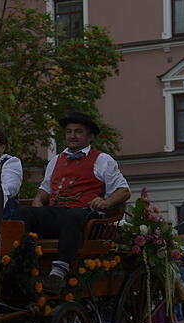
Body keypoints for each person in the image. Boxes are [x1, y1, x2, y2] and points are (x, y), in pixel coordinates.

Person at [14, 112, 130, 294]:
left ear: (90, 136)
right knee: (22, 213)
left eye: (78, 131)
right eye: (69, 132)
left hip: (86, 218)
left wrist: (106, 202)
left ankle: (58, 271)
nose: (72, 136)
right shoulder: (56, 160)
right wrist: (37, 200)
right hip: (58, 214)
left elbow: (124, 191)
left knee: (73, 215)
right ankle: (24, 264)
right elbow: (46, 189)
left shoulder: (102, 160)